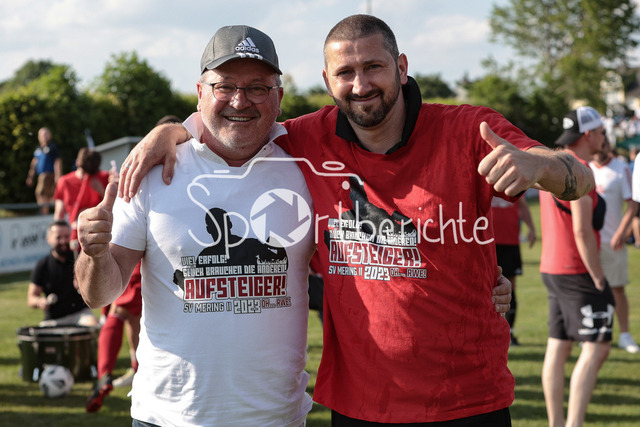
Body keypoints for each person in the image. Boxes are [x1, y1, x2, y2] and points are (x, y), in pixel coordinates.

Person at [117, 16, 594, 425]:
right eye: (345, 72)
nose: (361, 85)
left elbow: (580, 175)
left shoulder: (468, 130)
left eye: (373, 67)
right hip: (359, 405)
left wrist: (539, 167)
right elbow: (235, 122)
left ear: (401, 67)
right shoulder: (307, 139)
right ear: (328, 81)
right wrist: (171, 131)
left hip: (467, 399)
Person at [76, 25, 318, 426]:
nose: (240, 100)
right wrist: (94, 253)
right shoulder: (150, 173)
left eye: (257, 88)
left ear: (278, 97)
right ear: (200, 91)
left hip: (275, 418)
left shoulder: (307, 168)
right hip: (166, 417)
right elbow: (98, 294)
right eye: (224, 86)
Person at [540, 106, 616, 427]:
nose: (604, 138)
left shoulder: (554, 164)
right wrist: (598, 277)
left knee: (559, 346)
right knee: (598, 346)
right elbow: (582, 231)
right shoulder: (579, 171)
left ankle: (558, 423)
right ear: (588, 134)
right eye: (601, 132)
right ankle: (573, 424)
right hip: (575, 271)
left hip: (552, 268)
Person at [590, 139, 640, 353]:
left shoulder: (621, 168)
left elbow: (633, 204)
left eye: (604, 143)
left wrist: (621, 232)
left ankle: (625, 335)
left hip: (613, 241)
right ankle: (593, 333)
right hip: (589, 242)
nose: (600, 147)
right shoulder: (585, 167)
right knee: (591, 288)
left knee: (617, 289)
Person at [27, 220, 98, 327]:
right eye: (58, 237)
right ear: (48, 239)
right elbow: (31, 298)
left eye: (66, 236)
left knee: (92, 326)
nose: (63, 241)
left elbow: (97, 288)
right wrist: (39, 301)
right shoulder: (43, 265)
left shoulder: (79, 258)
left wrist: (84, 285)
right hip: (54, 319)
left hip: (80, 314)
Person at [491, 195, 536, 347]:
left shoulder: (510, 182)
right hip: (487, 241)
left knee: (510, 287)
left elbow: (522, 203)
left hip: (509, 240)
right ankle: (490, 330)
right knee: (486, 286)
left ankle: (509, 331)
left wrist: (531, 227)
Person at [54, 147, 111, 253]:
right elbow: (59, 213)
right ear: (77, 162)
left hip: (99, 232)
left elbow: (114, 205)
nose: (86, 176)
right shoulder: (65, 181)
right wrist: (60, 236)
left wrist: (101, 191)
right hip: (75, 232)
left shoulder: (103, 177)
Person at [26, 127, 62, 214]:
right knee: (44, 196)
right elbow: (34, 164)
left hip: (49, 175)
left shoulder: (53, 148)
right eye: (42, 135)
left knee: (42, 194)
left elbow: (57, 162)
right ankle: (46, 213)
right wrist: (30, 176)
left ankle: (45, 214)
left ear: (50, 135)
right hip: (41, 176)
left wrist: (58, 176)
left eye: (46, 134)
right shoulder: (38, 149)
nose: (44, 136)